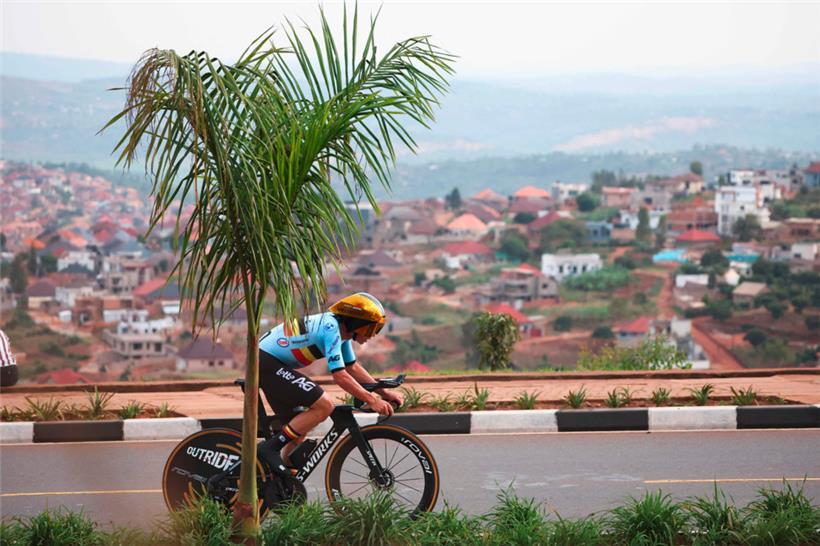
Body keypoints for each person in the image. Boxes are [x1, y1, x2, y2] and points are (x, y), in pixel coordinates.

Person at [256, 292, 402, 476]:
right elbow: (340, 376)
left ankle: (284, 484)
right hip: (267, 363)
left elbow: (353, 368)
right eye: (371, 329)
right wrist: (371, 400)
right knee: (324, 406)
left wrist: (385, 394)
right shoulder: (330, 327)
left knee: (298, 431)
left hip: (271, 364)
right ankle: (269, 448)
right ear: (356, 323)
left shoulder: (342, 333)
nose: (372, 335)